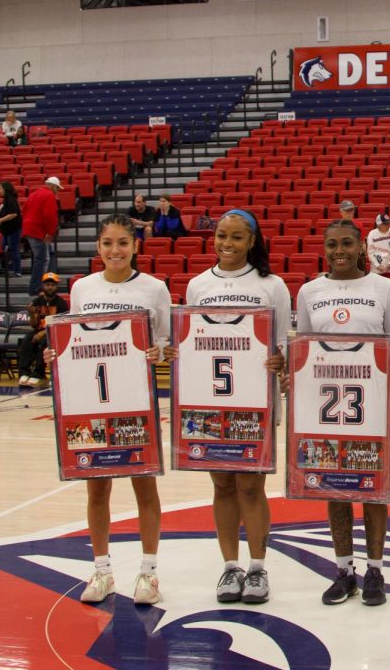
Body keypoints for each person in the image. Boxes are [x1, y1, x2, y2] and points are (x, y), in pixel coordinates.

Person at [45, 213, 171, 607]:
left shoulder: (155, 289)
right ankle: (101, 570)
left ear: (136, 246)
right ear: (98, 248)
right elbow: (74, 339)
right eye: (107, 243)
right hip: (92, 403)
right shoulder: (82, 287)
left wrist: (159, 352)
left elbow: (168, 343)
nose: (114, 250)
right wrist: (56, 352)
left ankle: (149, 574)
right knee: (97, 488)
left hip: (135, 401)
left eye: (122, 242)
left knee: (143, 485)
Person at [171, 209, 290, 606]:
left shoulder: (271, 285)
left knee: (251, 486)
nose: (227, 244)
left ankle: (257, 568)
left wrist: (280, 359)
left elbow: (284, 344)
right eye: (221, 235)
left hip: (253, 401)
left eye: (237, 237)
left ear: (252, 241)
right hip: (210, 401)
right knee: (222, 484)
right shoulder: (198, 284)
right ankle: (230, 566)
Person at [297, 219, 390, 606]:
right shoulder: (309, 291)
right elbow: (305, 348)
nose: (338, 250)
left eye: (346, 243)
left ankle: (375, 569)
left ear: (363, 246)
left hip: (372, 402)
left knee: (374, 490)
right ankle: (344, 571)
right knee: (335, 487)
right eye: (331, 244)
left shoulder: (385, 287)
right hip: (325, 405)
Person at [18, 272, 69, 387]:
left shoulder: (61, 304)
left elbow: (61, 325)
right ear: (43, 286)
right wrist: (31, 314)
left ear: (57, 286)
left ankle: (38, 374)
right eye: (47, 284)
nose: (50, 287)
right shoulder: (37, 301)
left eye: (52, 285)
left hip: (55, 332)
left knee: (45, 342)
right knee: (26, 340)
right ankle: (24, 373)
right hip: (40, 330)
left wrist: (42, 333)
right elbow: (34, 325)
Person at [22, 177, 61, 296]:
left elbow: (24, 210)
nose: (57, 191)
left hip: (30, 229)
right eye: (58, 189)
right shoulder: (49, 196)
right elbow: (50, 216)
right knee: (42, 259)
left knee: (47, 255)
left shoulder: (34, 194)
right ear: (53, 186)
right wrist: (50, 232)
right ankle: (37, 288)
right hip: (39, 231)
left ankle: (49, 282)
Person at [0, 181, 22, 278]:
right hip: (6, 230)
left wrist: (1, 220)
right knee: (5, 248)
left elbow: (14, 214)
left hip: (13, 229)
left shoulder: (11, 200)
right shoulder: (5, 200)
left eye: (0, 188)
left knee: (13, 249)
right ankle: (10, 268)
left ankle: (17, 270)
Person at [367, 213, 390, 287]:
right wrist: (378, 266)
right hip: (377, 270)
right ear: (378, 224)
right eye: (385, 224)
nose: (388, 225)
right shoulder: (372, 234)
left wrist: (389, 265)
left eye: (389, 223)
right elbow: (370, 253)